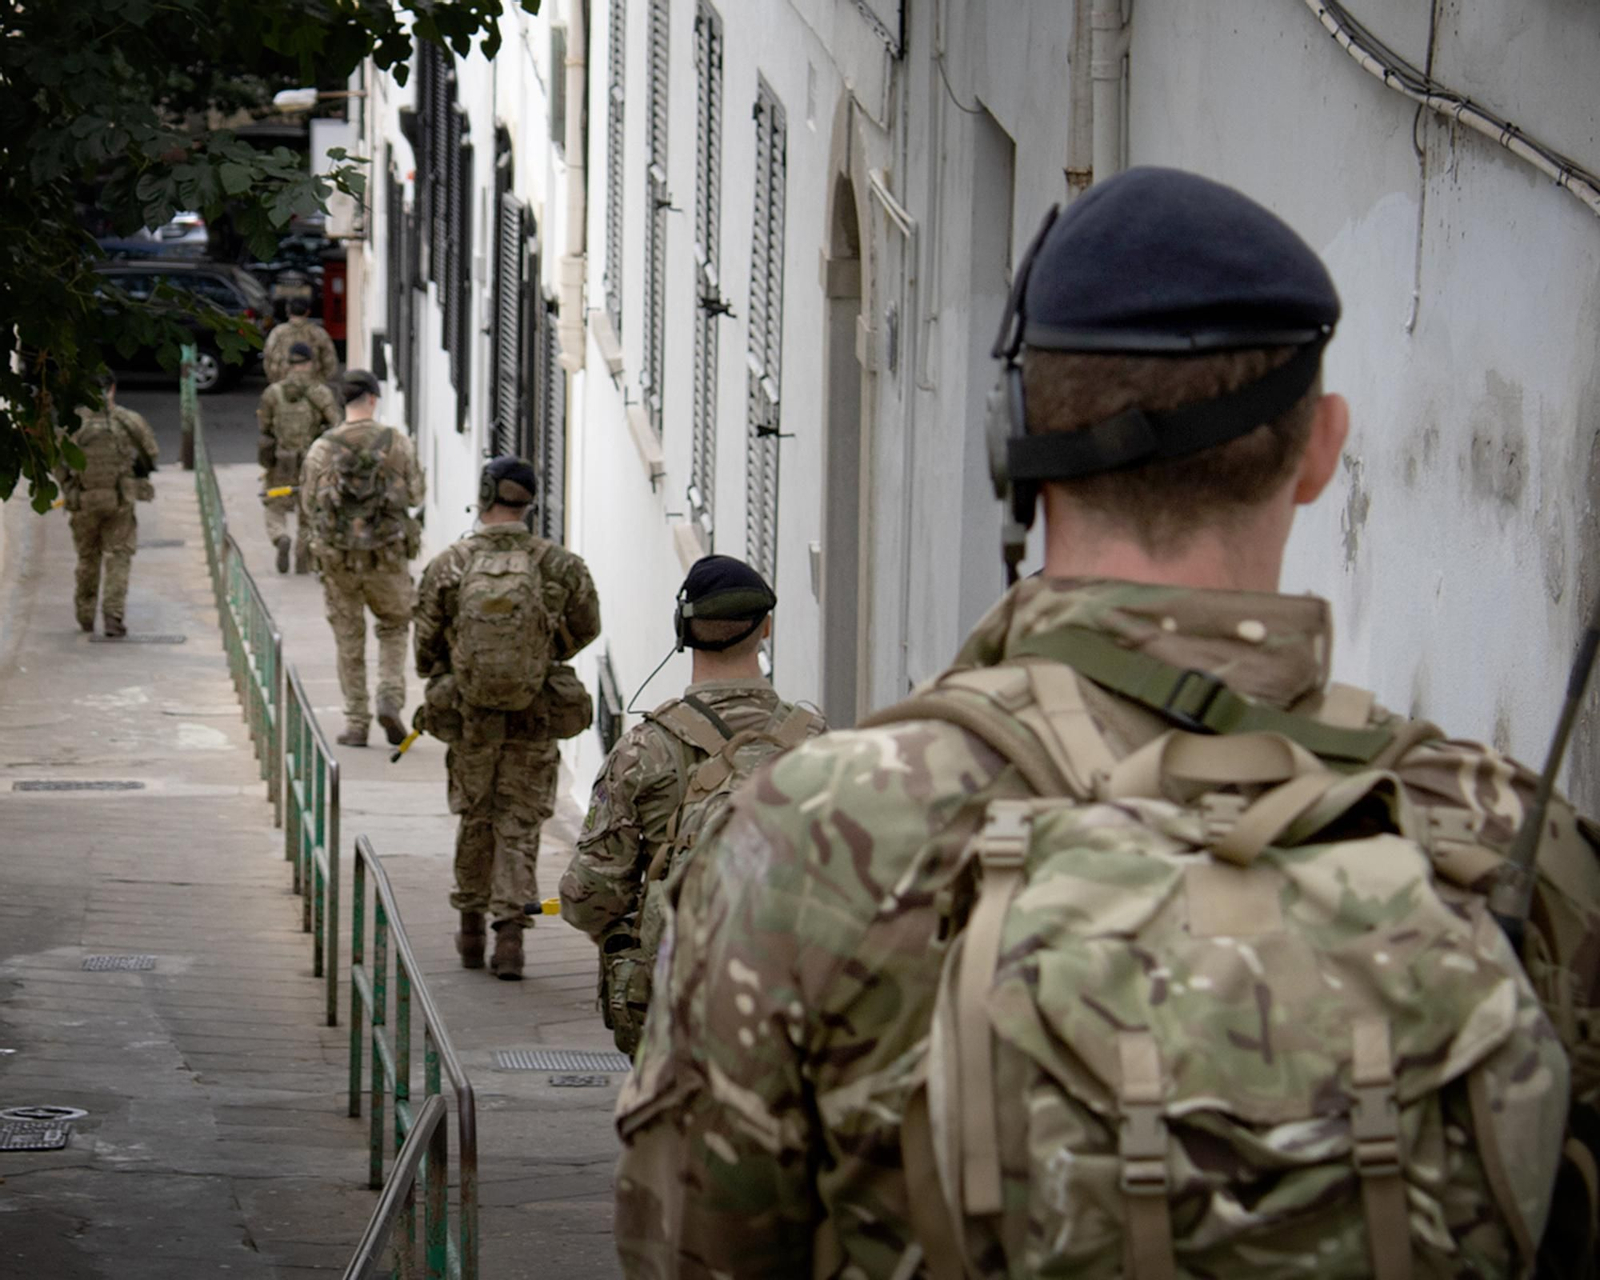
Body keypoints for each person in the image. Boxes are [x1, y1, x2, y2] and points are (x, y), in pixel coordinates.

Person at [613, 169, 1600, 1278]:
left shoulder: (814, 839)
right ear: (1322, 448)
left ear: (1012, 445)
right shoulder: (1511, 840)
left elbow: (691, 1248)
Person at [559, 555, 825, 1052]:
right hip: (793, 1000)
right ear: (766, 628)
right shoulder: (818, 742)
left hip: (678, 1007)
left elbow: (588, 897)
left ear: (683, 631)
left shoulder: (645, 748)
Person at [413, 457, 601, 980]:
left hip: (471, 718)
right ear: (530, 502)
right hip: (534, 713)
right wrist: (540, 654)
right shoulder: (560, 565)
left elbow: (425, 650)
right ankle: (511, 938)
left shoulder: (450, 564)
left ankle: (470, 927)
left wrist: (460, 666)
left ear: (486, 493)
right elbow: (587, 628)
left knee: (475, 813)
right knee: (519, 822)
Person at [300, 369, 424, 747]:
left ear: (343, 400)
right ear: (373, 398)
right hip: (386, 558)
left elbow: (308, 503)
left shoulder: (323, 448)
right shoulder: (396, 443)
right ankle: (389, 696)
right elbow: (416, 495)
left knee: (348, 641)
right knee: (393, 627)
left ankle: (356, 721)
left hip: (338, 561)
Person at [56, 372, 159, 637]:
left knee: (87, 558)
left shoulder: (72, 423)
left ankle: (85, 615)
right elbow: (151, 453)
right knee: (118, 555)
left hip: (84, 499)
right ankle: (113, 615)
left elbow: (57, 461)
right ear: (112, 389)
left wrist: (69, 487)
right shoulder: (127, 420)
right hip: (120, 499)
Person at [257, 342, 341, 574]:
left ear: (289, 364)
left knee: (274, 506)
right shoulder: (321, 392)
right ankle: (302, 558)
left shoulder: (273, 393)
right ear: (311, 363)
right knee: (308, 511)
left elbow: (264, 426)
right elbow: (336, 427)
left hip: (281, 462)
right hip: (310, 464)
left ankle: (280, 536)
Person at [263, 295, 338, 384]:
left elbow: (268, 358)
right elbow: (330, 361)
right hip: (312, 385)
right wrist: (321, 381)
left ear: (288, 312)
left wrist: (274, 380)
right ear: (308, 312)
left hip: (283, 383)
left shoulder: (277, 332)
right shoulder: (319, 333)